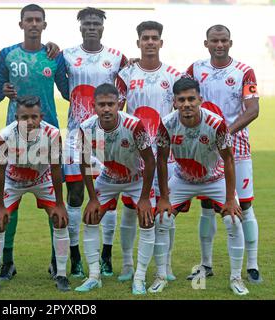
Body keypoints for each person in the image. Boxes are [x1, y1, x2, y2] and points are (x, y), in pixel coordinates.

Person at [0, 3, 70, 280]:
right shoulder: (7, 55)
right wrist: (2, 90)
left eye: (38, 20)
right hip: (14, 136)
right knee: (8, 200)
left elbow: (68, 91)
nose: (34, 24)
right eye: (29, 20)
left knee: (54, 199)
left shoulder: (54, 56)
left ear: (44, 25)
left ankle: (55, 261)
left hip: (48, 134)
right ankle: (6, 261)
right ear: (21, 24)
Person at [155, 77, 248, 295]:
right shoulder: (167, 123)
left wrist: (229, 199)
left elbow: (228, 160)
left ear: (200, 100)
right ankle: (160, 276)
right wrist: (164, 198)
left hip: (214, 179)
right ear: (174, 102)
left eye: (191, 99)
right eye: (181, 100)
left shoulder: (216, 123)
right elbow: (160, 159)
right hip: (183, 179)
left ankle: (236, 278)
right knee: (162, 218)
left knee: (233, 220)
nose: (186, 104)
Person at [185, 24, 261, 283]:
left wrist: (225, 131)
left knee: (245, 206)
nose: (219, 45)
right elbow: (180, 93)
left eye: (224, 40)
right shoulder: (196, 69)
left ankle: (252, 265)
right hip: (206, 148)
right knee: (207, 206)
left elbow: (253, 109)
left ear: (231, 43)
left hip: (236, 147)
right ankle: (206, 264)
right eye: (214, 41)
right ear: (206, 43)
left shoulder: (244, 71)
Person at [62, 7, 128, 278]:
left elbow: (124, 91)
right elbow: (60, 84)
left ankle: (106, 256)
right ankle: (75, 257)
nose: (91, 27)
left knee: (108, 199)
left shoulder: (117, 58)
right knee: (76, 195)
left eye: (96, 23)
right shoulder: (66, 55)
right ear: (80, 27)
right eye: (87, 23)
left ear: (103, 27)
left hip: (107, 139)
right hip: (75, 136)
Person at [75, 83, 155, 294]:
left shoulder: (134, 125)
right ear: (94, 106)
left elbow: (150, 160)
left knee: (147, 221)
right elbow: (83, 163)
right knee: (90, 217)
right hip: (108, 178)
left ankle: (139, 277)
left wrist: (145, 197)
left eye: (111, 104)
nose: (107, 109)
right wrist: (92, 198)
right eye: (102, 105)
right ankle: (94, 276)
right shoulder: (86, 128)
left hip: (137, 179)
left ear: (120, 104)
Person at [0, 95, 70, 292]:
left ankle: (61, 273)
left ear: (41, 117)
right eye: (24, 118)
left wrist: (59, 203)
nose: (29, 122)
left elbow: (56, 168)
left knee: (59, 219)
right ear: (16, 117)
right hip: (13, 181)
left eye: (34, 117)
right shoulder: (5, 135)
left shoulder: (53, 134)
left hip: (42, 179)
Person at [117, 21, 181, 283]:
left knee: (165, 211)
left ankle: (164, 266)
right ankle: (126, 264)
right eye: (146, 38)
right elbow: (118, 112)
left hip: (167, 155)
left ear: (161, 43)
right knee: (131, 210)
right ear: (138, 43)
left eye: (155, 38)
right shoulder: (126, 74)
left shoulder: (174, 76)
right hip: (135, 154)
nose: (150, 42)